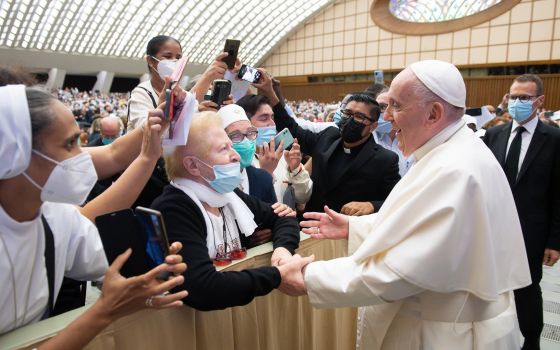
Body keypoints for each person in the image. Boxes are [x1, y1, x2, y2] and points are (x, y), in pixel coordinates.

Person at [280, 60, 532, 349]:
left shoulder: (454, 170)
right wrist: (354, 226)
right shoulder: (452, 152)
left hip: (442, 334)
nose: (386, 117)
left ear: (434, 113)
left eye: (396, 106)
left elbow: (398, 271)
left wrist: (308, 278)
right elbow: (421, 225)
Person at [0, 85, 187, 348]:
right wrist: (104, 311)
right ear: (14, 154)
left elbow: (112, 266)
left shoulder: (56, 221)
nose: (82, 157)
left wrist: (149, 275)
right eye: (69, 144)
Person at [151, 112, 304, 310]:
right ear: (192, 165)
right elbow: (203, 288)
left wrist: (282, 251)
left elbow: (285, 218)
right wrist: (276, 276)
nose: (236, 156)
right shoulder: (174, 209)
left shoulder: (229, 195)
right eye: (224, 149)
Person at [483, 73, 560, 350]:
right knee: (491, 286)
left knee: (527, 289)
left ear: (539, 101)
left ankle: (531, 341)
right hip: (492, 229)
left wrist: (555, 240)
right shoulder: (494, 134)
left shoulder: (554, 139)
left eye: (524, 98)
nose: (517, 102)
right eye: (513, 97)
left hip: (532, 231)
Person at [254, 72, 400, 216]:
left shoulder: (385, 159)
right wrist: (270, 92)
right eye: (347, 113)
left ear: (373, 126)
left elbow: (397, 200)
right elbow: (291, 128)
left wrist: (371, 205)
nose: (350, 120)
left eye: (359, 116)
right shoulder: (328, 136)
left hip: (344, 231)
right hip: (309, 224)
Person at [236, 94, 313, 207]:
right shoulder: (240, 160)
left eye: (272, 117)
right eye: (264, 118)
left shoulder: (282, 155)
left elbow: (302, 198)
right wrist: (266, 173)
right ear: (245, 123)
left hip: (286, 223)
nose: (272, 124)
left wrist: (296, 170)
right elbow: (248, 209)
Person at [373, 91, 412, 176]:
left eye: (383, 107)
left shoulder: (413, 139)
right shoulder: (366, 137)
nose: (385, 113)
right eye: (378, 107)